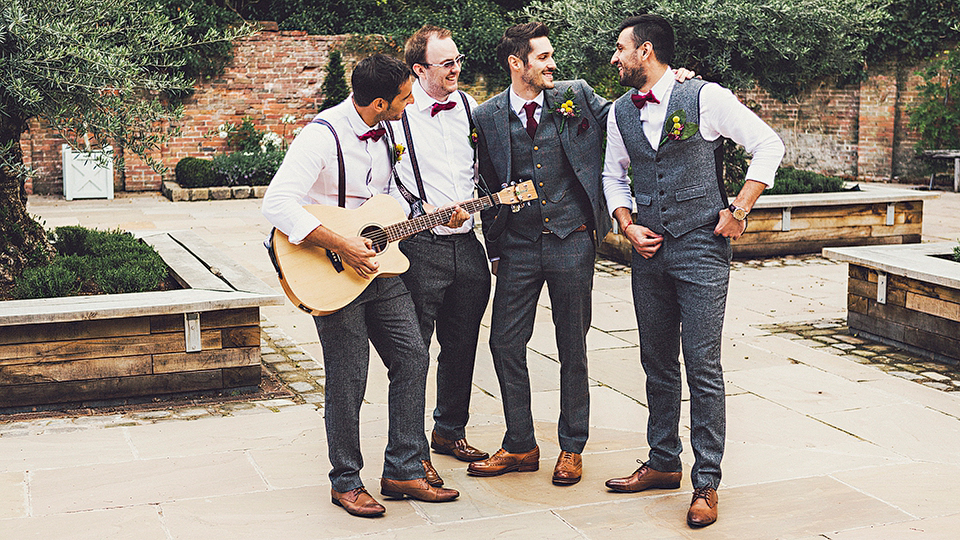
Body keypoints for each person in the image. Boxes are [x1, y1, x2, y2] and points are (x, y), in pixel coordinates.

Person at [261, 54, 466, 518]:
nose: (410, 101)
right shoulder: (322, 135)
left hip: (378, 270)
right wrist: (342, 243)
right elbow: (277, 204)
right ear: (379, 102)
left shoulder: (388, 130)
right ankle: (346, 481)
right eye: (404, 97)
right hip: (327, 271)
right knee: (349, 377)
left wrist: (435, 215)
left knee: (413, 355)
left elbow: (383, 203)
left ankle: (403, 469)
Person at [601, 14, 785, 528]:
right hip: (648, 253)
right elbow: (612, 175)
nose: (614, 57)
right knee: (657, 362)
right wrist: (626, 223)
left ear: (647, 51)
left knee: (702, 366)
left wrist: (740, 208)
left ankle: (707, 482)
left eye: (621, 48)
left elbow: (769, 144)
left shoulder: (704, 97)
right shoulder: (619, 111)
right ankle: (663, 462)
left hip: (702, 249)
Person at [464, 21, 611, 487]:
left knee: (573, 345)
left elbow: (626, 116)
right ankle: (521, 443)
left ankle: (572, 447)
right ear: (517, 63)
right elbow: (486, 180)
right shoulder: (486, 116)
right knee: (505, 341)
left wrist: (673, 82)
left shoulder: (578, 95)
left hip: (572, 240)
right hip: (518, 247)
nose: (552, 64)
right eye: (542, 57)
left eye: (550, 55)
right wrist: (495, 250)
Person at [387, 25, 491, 466]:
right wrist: (415, 209)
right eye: (446, 63)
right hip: (419, 245)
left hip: (467, 244)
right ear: (418, 68)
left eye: (457, 60)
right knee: (414, 353)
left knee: (463, 343)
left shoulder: (468, 105)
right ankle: (412, 452)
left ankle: (449, 431)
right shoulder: (399, 112)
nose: (456, 69)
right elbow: (382, 176)